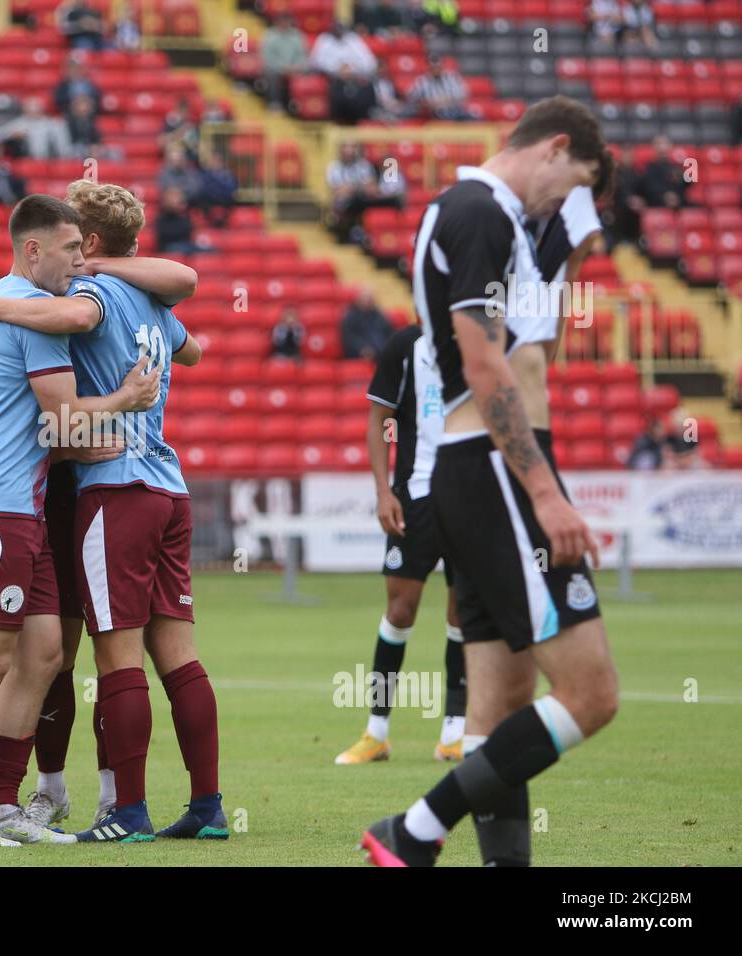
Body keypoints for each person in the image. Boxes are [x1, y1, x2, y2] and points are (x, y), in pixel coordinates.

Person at [361, 96, 617, 868]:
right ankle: (413, 829)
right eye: (577, 183)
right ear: (555, 148)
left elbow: (521, 352)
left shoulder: (484, 217)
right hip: (498, 468)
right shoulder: (481, 212)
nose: (567, 203)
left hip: (475, 470)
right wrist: (544, 491)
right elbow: (484, 364)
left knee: (497, 707)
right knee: (592, 695)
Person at [0, 179, 221, 843]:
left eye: (80, 242)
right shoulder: (153, 300)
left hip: (114, 486)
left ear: (93, 243)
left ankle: (124, 811)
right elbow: (194, 351)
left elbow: (77, 320)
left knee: (111, 659)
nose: (73, 254)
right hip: (170, 485)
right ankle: (207, 806)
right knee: (181, 659)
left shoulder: (93, 292)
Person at [0, 194, 160, 847]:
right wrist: (127, 399)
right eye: (73, 250)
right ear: (34, 250)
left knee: (44, 653)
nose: (83, 262)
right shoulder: (30, 316)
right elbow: (65, 418)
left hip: (16, 503)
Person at [337, 325, 466, 766]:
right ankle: (377, 732)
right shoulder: (404, 345)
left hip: (469, 496)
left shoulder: (480, 339)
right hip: (415, 498)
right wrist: (383, 492)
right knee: (399, 611)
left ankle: (455, 732)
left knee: (462, 612)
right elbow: (379, 420)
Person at [0, 97, 74, 160]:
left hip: (53, 157)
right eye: (30, 109)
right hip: (29, 157)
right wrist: (12, 135)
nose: (33, 112)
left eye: (36, 109)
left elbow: (63, 143)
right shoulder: (20, 123)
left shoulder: (50, 123)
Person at [261, 14, 311, 110]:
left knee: (310, 73)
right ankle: (274, 103)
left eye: (287, 21)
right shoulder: (269, 35)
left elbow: (303, 55)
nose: (284, 24)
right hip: (276, 68)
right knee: (271, 75)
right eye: (282, 21)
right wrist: (283, 67)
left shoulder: (297, 35)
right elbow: (267, 58)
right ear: (276, 22)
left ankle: (301, 106)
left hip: (295, 67)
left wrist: (297, 66)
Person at [408, 55, 471, 121]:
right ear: (428, 67)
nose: (436, 69)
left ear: (442, 66)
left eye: (438, 66)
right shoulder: (421, 81)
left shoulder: (453, 77)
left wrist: (442, 101)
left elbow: (463, 95)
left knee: (473, 119)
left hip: (455, 111)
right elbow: (411, 98)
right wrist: (428, 103)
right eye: (433, 67)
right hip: (433, 114)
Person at [307, 22, 377, 80]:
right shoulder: (325, 39)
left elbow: (370, 63)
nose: (338, 31)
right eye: (336, 29)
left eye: (340, 29)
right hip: (331, 78)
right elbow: (314, 62)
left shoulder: (353, 39)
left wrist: (351, 68)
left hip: (355, 77)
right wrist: (337, 68)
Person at [341, 287, 395, 360]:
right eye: (365, 299)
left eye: (370, 299)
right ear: (358, 300)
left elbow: (389, 332)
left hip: (381, 350)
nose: (368, 302)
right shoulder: (351, 316)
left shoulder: (380, 315)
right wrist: (362, 348)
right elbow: (349, 338)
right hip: (360, 353)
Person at [637, 135, 687, 209]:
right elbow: (650, 187)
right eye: (658, 144)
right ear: (654, 147)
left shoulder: (677, 167)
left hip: (678, 202)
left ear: (670, 146)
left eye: (664, 143)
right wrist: (665, 196)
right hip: (657, 203)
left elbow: (684, 186)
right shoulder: (650, 168)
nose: (661, 147)